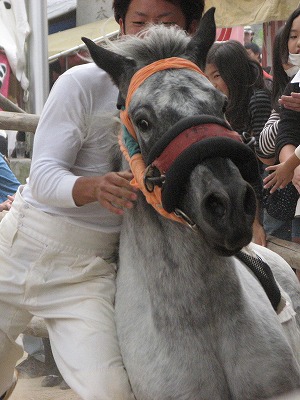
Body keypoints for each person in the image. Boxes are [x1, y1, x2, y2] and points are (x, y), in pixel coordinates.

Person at [0, 1, 205, 399]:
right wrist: (94, 187)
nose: (149, 34)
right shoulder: (81, 82)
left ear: (192, 29)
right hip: (17, 251)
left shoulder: (191, 95)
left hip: (87, 274)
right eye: (138, 22)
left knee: (112, 391)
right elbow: (41, 177)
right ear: (120, 25)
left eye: (165, 23)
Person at [205, 39, 272, 246]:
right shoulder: (222, 111)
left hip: (272, 204)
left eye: (216, 76)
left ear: (233, 74)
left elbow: (262, 164)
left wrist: (256, 222)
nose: (211, 85)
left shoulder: (257, 100)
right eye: (206, 78)